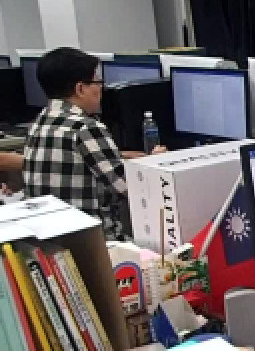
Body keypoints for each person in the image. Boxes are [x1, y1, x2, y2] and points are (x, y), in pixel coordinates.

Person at [23, 47, 164, 240]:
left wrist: (124, 156)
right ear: (80, 89)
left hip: (53, 242)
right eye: (98, 82)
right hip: (96, 244)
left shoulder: (40, 121)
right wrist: (155, 164)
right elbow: (130, 187)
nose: (101, 90)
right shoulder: (85, 127)